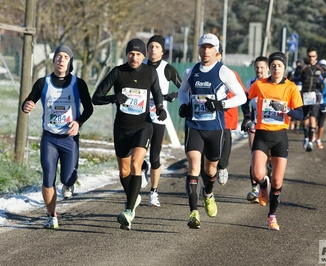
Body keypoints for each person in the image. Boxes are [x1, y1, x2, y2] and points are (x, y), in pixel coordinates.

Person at [92, 38, 167, 230]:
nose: (135, 58)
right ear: (127, 54)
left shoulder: (149, 72)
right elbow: (96, 98)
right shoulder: (118, 72)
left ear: (144, 56)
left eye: (139, 54)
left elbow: (157, 92)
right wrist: (113, 98)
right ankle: (133, 198)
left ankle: (129, 211)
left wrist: (160, 107)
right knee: (124, 171)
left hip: (143, 126)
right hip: (122, 128)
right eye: (131, 54)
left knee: (136, 164)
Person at [178, 33, 246, 229]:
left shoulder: (224, 72)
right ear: (198, 49)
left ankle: (208, 193)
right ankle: (193, 213)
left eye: (210, 47)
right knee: (193, 167)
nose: (206, 51)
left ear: (217, 51)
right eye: (202, 47)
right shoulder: (190, 71)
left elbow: (242, 96)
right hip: (194, 126)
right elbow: (183, 91)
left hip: (215, 128)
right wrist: (183, 105)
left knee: (210, 170)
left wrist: (221, 104)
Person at [22, 45, 93, 229]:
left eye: (65, 57)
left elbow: (89, 108)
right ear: (54, 60)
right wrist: (26, 105)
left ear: (70, 62)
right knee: (48, 177)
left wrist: (78, 122)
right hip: (49, 138)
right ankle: (51, 215)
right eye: (58, 57)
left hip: (69, 139)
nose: (61, 60)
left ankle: (68, 184)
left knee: (68, 178)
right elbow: (29, 101)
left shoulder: (78, 83)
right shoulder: (42, 82)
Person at [247, 51, 303, 230]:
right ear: (269, 67)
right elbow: (245, 100)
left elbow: (301, 115)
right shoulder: (260, 84)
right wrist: (247, 117)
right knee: (257, 173)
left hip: (280, 136)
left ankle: (271, 216)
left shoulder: (291, 88)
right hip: (262, 134)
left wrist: (287, 110)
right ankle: (263, 185)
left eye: (279, 65)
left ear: (284, 68)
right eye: (273, 66)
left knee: (278, 182)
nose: (276, 69)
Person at [144, 35, 182, 207]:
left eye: (157, 47)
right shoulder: (140, 66)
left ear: (162, 51)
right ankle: (143, 167)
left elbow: (184, 88)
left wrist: (172, 95)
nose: (153, 49)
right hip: (140, 115)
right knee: (134, 152)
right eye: (151, 46)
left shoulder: (168, 68)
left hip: (158, 117)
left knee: (154, 156)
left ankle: (154, 192)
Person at [241, 56, 269, 203]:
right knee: (254, 156)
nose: (259, 70)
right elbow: (245, 101)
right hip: (255, 124)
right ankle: (254, 190)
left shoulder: (273, 82)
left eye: (262, 67)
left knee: (268, 158)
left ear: (267, 68)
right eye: (257, 67)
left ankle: (267, 174)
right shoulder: (251, 82)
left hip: (270, 126)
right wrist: (247, 117)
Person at [300, 47, 326, 151]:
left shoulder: (321, 69)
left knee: (312, 117)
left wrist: (322, 85)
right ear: (307, 56)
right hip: (304, 95)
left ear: (317, 56)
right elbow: (295, 78)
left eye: (313, 56)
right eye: (310, 56)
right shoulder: (303, 68)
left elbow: (325, 80)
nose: (311, 58)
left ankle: (311, 142)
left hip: (315, 95)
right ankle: (306, 137)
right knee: (305, 120)